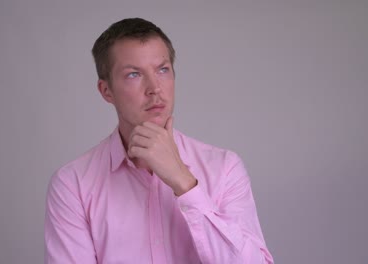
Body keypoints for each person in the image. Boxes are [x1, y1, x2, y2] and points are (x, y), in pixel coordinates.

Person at [45, 17, 274, 264]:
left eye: (162, 70)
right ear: (106, 91)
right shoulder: (73, 185)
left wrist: (184, 183)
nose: (154, 88)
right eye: (133, 74)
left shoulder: (226, 168)